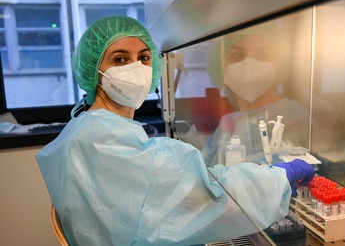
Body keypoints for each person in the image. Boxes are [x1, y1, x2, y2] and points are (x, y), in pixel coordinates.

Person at [36, 16, 314, 246]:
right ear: (94, 71)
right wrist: (278, 178)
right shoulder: (101, 138)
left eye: (144, 58)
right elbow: (210, 194)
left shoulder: (94, 126)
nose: (136, 68)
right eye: (120, 60)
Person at [201, 20, 314, 167]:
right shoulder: (230, 121)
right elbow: (203, 170)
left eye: (263, 55)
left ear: (278, 65)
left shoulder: (294, 117)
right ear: (221, 66)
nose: (249, 64)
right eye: (237, 55)